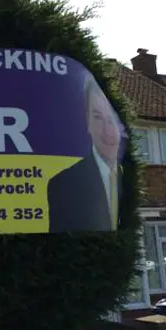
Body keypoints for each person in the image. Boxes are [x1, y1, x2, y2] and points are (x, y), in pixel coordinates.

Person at [47, 75, 126, 233]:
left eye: (111, 120)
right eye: (98, 118)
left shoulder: (128, 177)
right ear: (87, 123)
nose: (107, 131)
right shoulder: (63, 185)